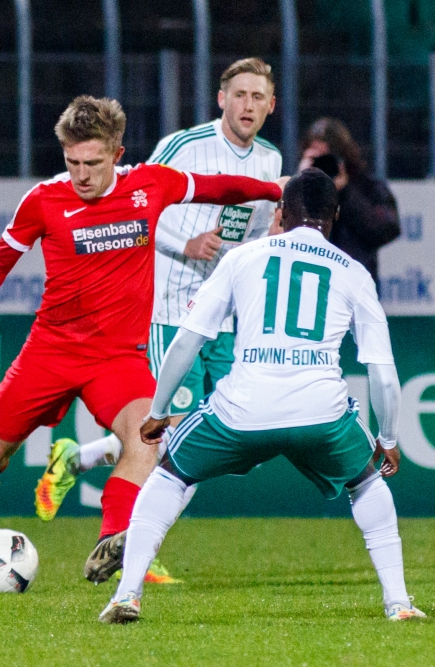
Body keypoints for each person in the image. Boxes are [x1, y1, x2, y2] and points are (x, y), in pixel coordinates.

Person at [0, 96, 284, 583]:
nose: (81, 174)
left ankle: (113, 538)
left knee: (148, 437)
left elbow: (218, 187)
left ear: (117, 155)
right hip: (51, 352)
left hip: (118, 359)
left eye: (93, 163)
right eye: (72, 162)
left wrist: (275, 188)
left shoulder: (150, 185)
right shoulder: (44, 200)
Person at [98, 169, 425, 624]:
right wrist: (387, 438)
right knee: (367, 483)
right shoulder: (353, 272)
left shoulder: (242, 258)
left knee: (169, 475)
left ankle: (127, 595)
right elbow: (383, 373)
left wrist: (158, 410)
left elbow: (188, 339)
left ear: (281, 213)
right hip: (320, 414)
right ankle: (399, 603)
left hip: (242, 411)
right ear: (334, 216)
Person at [33, 58, 283, 544]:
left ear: (271, 105)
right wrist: (185, 243)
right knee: (173, 437)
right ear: (221, 99)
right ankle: (135, 544)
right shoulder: (185, 146)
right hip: (172, 311)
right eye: (239, 94)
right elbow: (132, 201)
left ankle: (77, 458)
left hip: (226, 319)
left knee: (234, 431)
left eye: (257, 97)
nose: (247, 104)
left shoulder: (270, 160)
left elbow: (253, 233)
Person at [299, 117, 400, 283]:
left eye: (328, 158)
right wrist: (302, 183)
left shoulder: (366, 186)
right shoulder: (299, 187)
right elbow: (285, 230)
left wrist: (345, 192)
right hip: (311, 280)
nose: (325, 165)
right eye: (318, 159)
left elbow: (387, 228)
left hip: (353, 282)